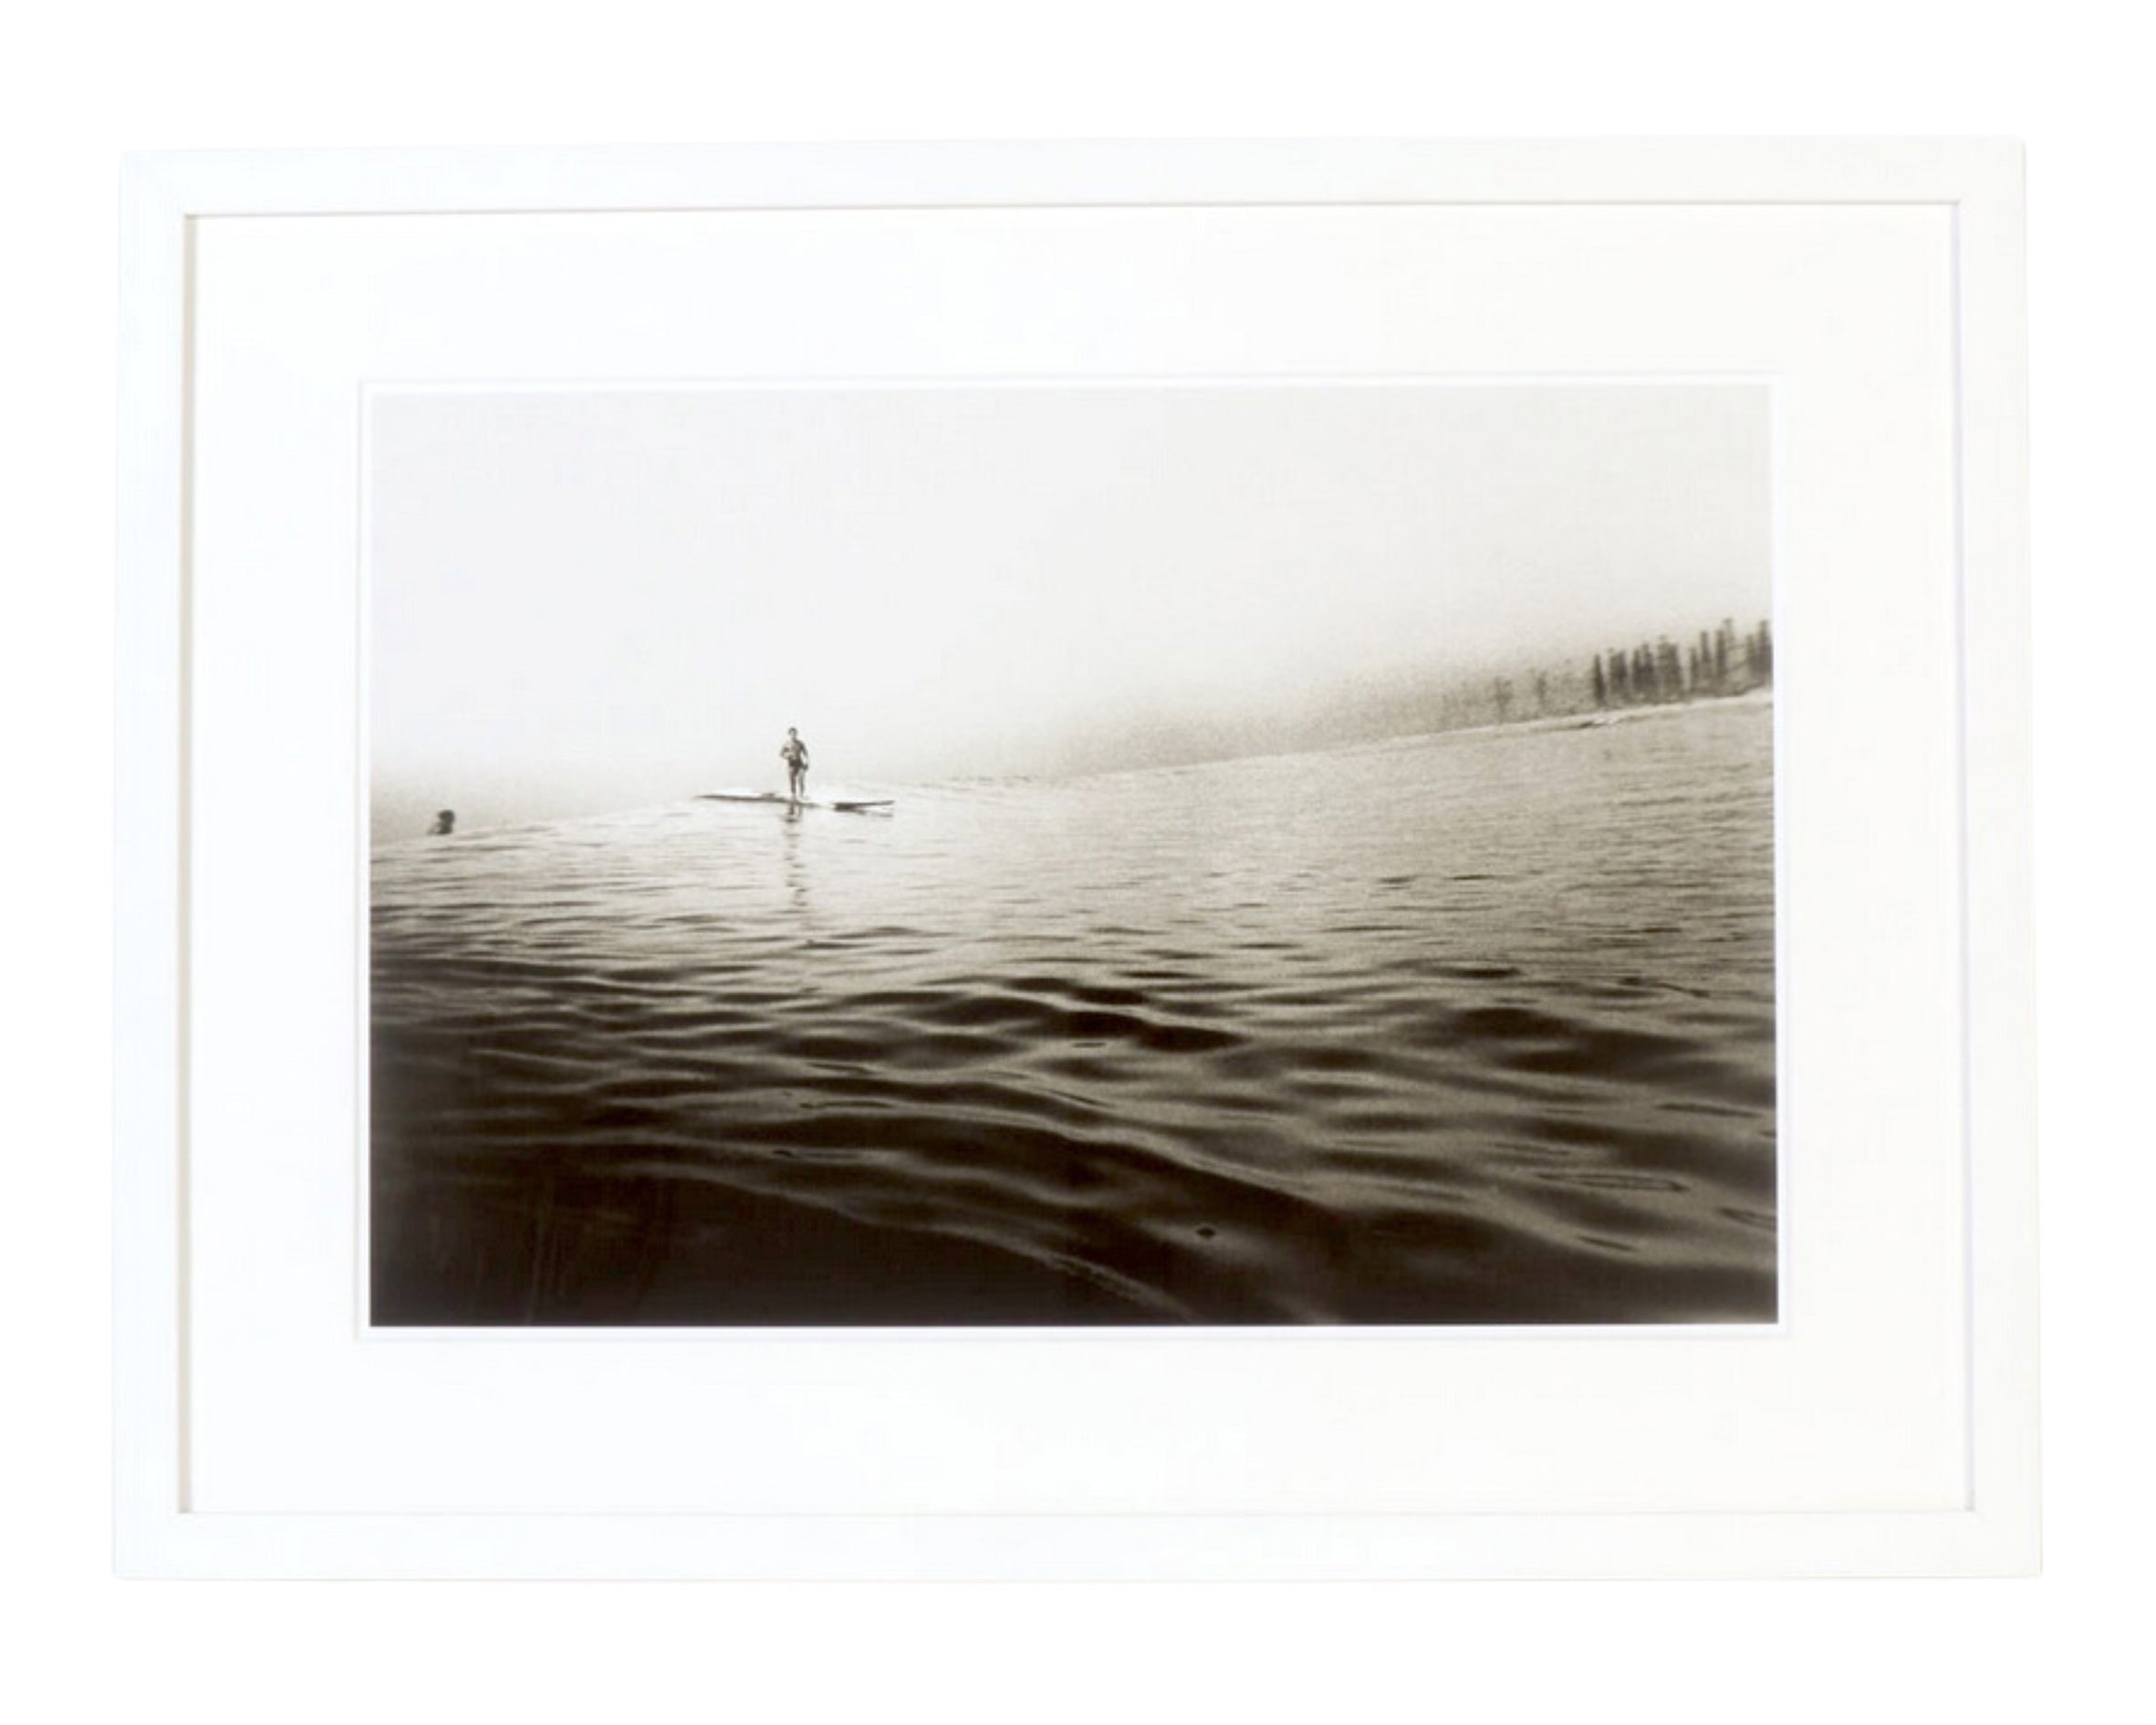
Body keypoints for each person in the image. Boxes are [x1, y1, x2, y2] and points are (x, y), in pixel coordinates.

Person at [779, 727, 810, 801]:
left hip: (799, 763)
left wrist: (807, 763)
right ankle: (793, 795)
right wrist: (787, 755)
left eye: (795, 734)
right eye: (792, 734)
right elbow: (781, 754)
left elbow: (806, 753)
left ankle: (801, 795)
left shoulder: (800, 743)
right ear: (789, 734)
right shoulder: (786, 744)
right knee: (792, 780)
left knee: (801, 779)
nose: (794, 735)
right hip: (791, 764)